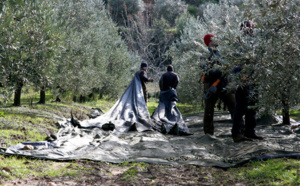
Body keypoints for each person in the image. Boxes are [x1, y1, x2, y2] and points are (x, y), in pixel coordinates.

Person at [231, 21, 263, 142]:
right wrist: (241, 75)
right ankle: (236, 133)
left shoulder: (252, 43)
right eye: (251, 29)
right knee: (240, 107)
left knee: (252, 106)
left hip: (253, 78)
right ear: (245, 30)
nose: (252, 31)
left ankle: (250, 131)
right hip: (242, 79)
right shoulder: (239, 44)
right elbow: (236, 62)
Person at [202, 34, 236, 135]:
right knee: (209, 110)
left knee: (234, 106)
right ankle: (208, 133)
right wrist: (220, 70)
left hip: (224, 84)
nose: (217, 40)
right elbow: (206, 71)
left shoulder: (221, 53)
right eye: (214, 39)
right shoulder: (205, 55)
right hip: (212, 85)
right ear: (209, 42)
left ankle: (239, 131)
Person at [151, 65, 191, 135]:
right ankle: (178, 124)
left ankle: (161, 124)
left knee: (162, 107)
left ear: (167, 69)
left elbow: (161, 82)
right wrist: (173, 87)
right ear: (172, 69)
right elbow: (177, 81)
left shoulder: (164, 75)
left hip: (164, 92)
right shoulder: (175, 75)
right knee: (173, 108)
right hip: (172, 92)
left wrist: (162, 89)